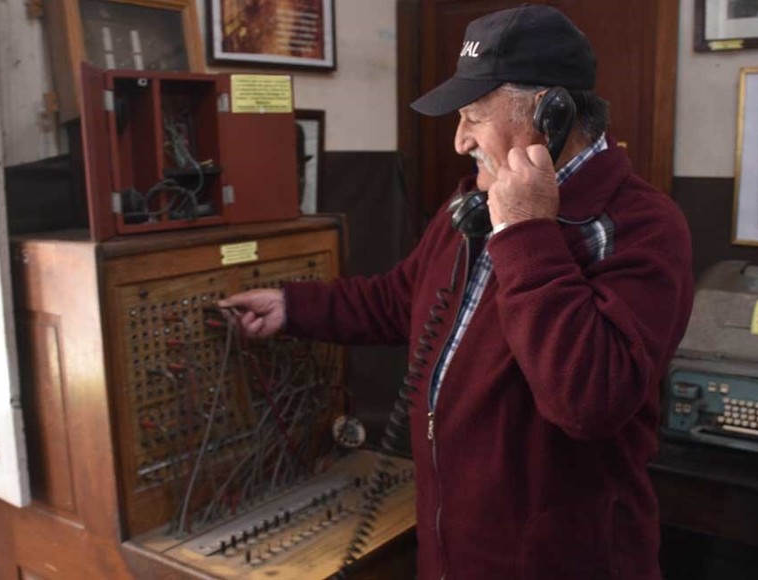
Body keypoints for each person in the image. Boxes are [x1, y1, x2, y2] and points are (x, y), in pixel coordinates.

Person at [219, 5, 694, 579]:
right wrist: (293, 308)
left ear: (553, 113)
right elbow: (400, 301)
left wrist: (526, 232)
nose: (459, 140)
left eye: (472, 115)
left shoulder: (642, 226)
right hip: (452, 555)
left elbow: (588, 399)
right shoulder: (471, 202)